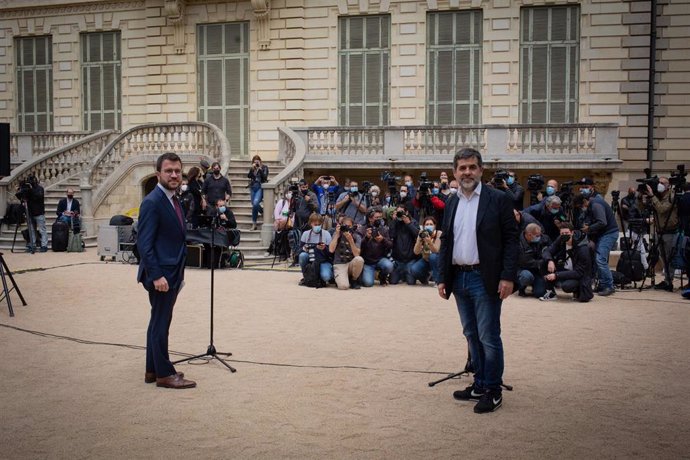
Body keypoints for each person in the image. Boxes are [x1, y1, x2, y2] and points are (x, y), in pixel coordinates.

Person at [437, 148, 519, 414]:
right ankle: (480, 383)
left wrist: (507, 276)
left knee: (488, 336)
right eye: (462, 168)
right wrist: (441, 277)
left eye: (472, 167)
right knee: (471, 334)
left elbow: (511, 241)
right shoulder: (452, 201)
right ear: (455, 172)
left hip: (485, 277)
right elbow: (447, 241)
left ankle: (493, 390)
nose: (467, 172)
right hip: (458, 277)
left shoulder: (498, 199)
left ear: (481, 170)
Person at [136, 152, 196, 389]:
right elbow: (144, 244)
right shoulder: (152, 201)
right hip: (161, 274)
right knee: (161, 323)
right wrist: (157, 275)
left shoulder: (173, 198)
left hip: (171, 271)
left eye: (177, 171)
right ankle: (164, 374)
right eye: (169, 170)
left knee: (158, 320)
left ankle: (152, 370)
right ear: (158, 173)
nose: (174, 175)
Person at [576, 178, 619, 296]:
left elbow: (602, 222)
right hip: (604, 234)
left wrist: (588, 228)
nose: (582, 208)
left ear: (585, 201)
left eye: (581, 206)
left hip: (609, 233)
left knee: (600, 260)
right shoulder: (591, 205)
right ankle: (602, 284)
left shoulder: (596, 204)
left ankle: (609, 286)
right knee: (597, 259)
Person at [540, 223, 594, 302]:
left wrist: (556, 275)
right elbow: (547, 251)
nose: (564, 235)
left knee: (567, 286)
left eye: (566, 233)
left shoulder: (582, 248)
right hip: (565, 267)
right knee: (543, 263)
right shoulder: (561, 239)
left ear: (572, 233)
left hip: (579, 274)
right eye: (562, 233)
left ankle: (578, 289)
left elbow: (579, 272)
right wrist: (550, 260)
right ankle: (551, 293)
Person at [645, 177, 679, 291]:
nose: (659, 184)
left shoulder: (671, 196)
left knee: (669, 257)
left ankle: (669, 282)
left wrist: (652, 196)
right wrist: (642, 197)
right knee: (663, 258)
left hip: (669, 231)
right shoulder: (658, 196)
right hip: (659, 231)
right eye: (658, 182)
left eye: (662, 183)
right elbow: (646, 208)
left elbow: (662, 209)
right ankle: (666, 280)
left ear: (668, 185)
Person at [359, 207, 394, 287]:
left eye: (380, 217)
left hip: (380, 259)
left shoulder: (384, 229)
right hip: (367, 262)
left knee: (389, 266)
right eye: (377, 217)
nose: (379, 219)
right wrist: (366, 238)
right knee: (368, 283)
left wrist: (383, 239)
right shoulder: (362, 229)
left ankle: (382, 277)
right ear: (370, 218)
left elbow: (390, 245)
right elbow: (359, 247)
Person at [328, 215, 364, 290]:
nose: (347, 228)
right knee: (343, 286)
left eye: (349, 226)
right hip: (339, 264)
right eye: (345, 226)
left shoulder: (357, 236)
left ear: (353, 226)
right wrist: (337, 235)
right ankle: (340, 277)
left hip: (351, 263)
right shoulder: (337, 234)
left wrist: (351, 240)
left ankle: (354, 280)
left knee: (359, 259)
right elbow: (331, 250)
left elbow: (357, 254)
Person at [298, 213, 333, 286]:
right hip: (311, 260)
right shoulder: (305, 234)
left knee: (326, 277)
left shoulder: (326, 234)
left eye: (319, 224)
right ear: (311, 223)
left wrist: (324, 248)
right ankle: (306, 276)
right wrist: (305, 248)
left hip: (323, 260)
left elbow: (331, 253)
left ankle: (323, 276)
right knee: (302, 255)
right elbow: (299, 251)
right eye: (315, 224)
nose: (317, 226)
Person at [516, 223, 550, 298]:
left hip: (537, 270)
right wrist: (543, 262)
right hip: (522, 269)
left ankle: (536, 287)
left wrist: (549, 260)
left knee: (540, 293)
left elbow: (549, 249)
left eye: (540, 235)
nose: (539, 237)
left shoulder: (541, 239)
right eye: (537, 236)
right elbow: (526, 262)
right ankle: (520, 288)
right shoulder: (518, 243)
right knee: (526, 276)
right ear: (529, 234)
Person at [389, 205, 420, 285]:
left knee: (411, 282)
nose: (400, 214)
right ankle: (402, 274)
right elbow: (391, 235)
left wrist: (408, 223)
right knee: (392, 282)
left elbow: (418, 235)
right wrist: (393, 221)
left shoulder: (413, 222)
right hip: (398, 260)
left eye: (401, 212)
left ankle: (405, 274)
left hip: (410, 260)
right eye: (398, 212)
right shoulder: (395, 222)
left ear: (406, 212)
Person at [410, 216, 442, 285]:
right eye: (427, 224)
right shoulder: (422, 233)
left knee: (433, 256)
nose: (429, 226)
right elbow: (416, 252)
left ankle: (438, 281)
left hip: (438, 261)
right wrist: (419, 240)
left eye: (431, 224)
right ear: (424, 226)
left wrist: (429, 242)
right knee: (414, 269)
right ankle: (425, 278)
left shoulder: (438, 233)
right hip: (426, 260)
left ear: (435, 226)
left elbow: (436, 250)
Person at [247, 155, 269, 230]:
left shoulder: (264, 167)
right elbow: (249, 176)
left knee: (256, 203)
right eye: (254, 162)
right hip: (253, 188)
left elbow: (265, 177)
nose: (256, 163)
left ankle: (255, 222)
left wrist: (259, 169)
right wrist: (252, 169)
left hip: (260, 187)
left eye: (257, 161)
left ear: (260, 161)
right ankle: (256, 221)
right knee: (254, 205)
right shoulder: (253, 168)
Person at [27, 175, 48, 252]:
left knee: (42, 230)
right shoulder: (28, 190)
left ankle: (44, 245)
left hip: (39, 213)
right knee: (32, 230)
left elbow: (38, 196)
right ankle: (33, 245)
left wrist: (31, 189)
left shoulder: (40, 189)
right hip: (30, 212)